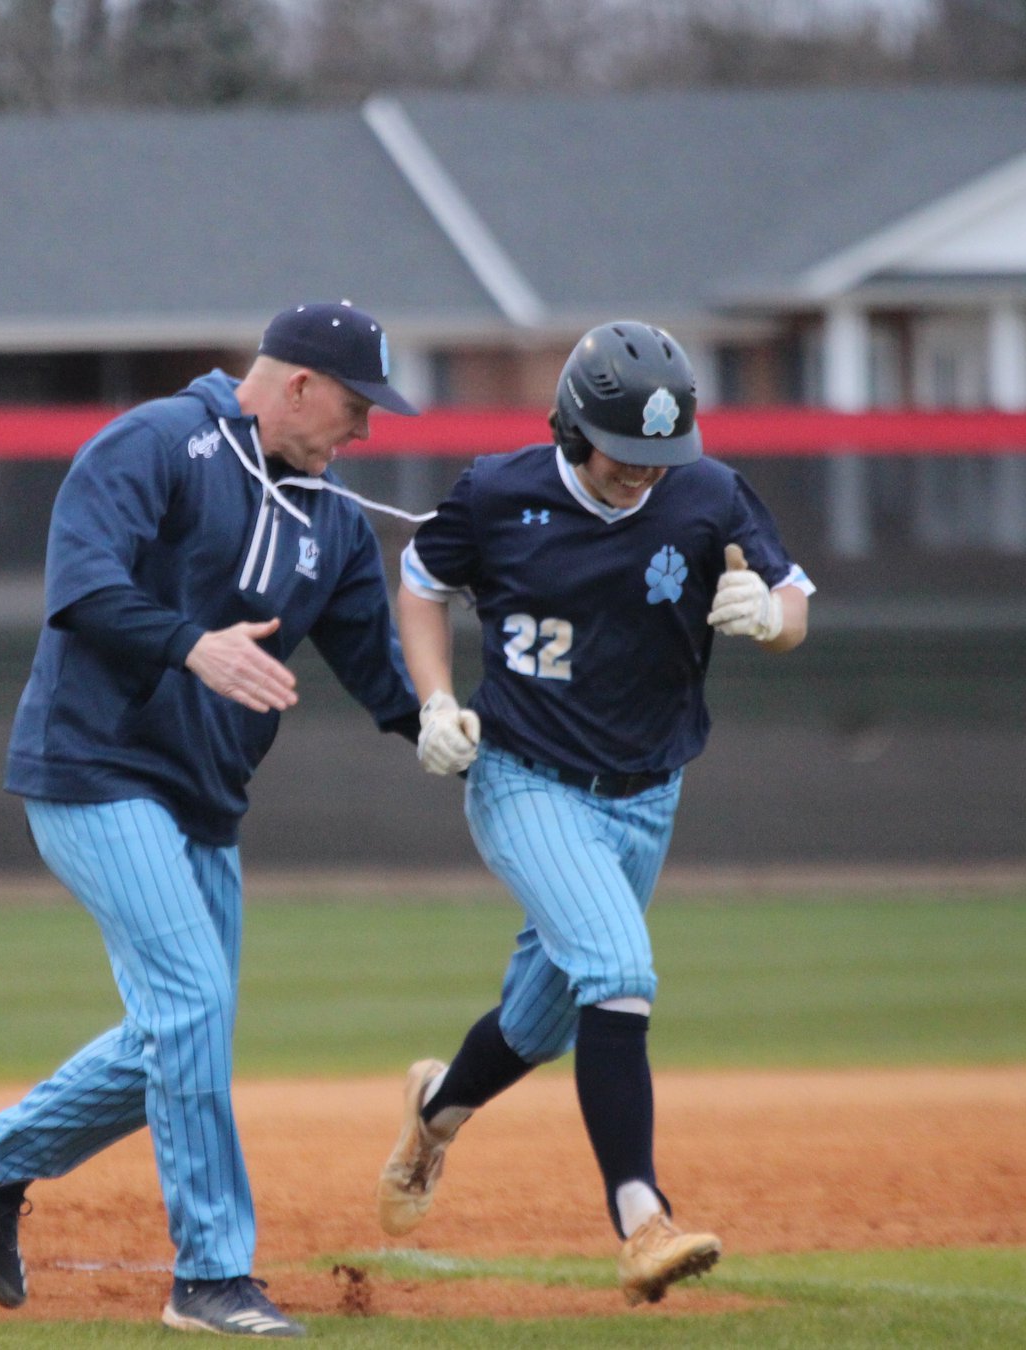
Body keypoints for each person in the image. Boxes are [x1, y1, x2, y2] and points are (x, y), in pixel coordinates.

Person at [0, 301, 424, 1338]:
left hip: (204, 800)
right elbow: (83, 584)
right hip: (92, 769)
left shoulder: (331, 523)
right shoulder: (159, 442)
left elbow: (394, 688)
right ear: (294, 385)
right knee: (191, 1002)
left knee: (183, 1028)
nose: (366, 430)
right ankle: (210, 1278)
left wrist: (472, 724)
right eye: (356, 405)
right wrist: (195, 645)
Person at [377, 321, 812, 1304]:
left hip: (648, 794)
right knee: (617, 972)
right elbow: (420, 581)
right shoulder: (497, 492)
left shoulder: (707, 493)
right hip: (527, 779)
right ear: (572, 431)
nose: (645, 476)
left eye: (664, 455)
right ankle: (640, 1218)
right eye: (626, 455)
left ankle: (434, 1117)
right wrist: (437, 700)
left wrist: (770, 623)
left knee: (543, 1022)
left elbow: (791, 604)